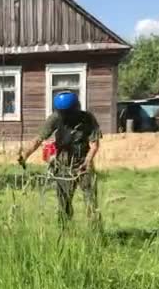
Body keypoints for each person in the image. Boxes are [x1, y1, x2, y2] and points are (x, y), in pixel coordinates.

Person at [18, 91, 103, 232]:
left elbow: (94, 144)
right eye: (63, 113)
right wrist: (25, 155)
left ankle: (95, 234)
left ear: (76, 108)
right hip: (63, 165)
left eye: (68, 113)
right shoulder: (55, 118)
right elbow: (38, 139)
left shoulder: (87, 118)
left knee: (91, 202)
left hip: (84, 162)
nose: (65, 116)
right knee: (64, 203)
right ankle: (64, 234)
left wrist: (87, 162)